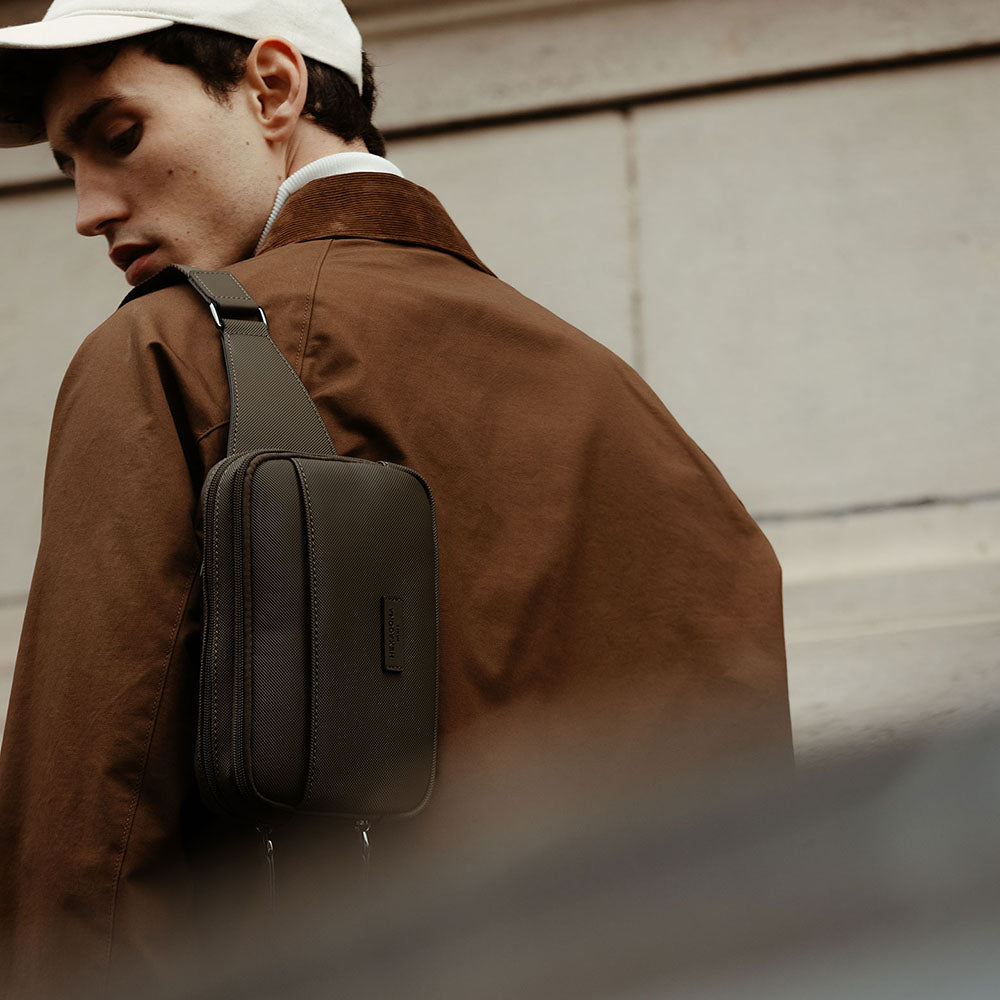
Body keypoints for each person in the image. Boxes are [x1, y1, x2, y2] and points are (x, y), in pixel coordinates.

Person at [0, 1, 793, 995]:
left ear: (272, 88)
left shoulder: (165, 354)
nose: (88, 210)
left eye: (119, 136)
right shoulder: (627, 409)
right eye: (68, 167)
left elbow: (92, 855)